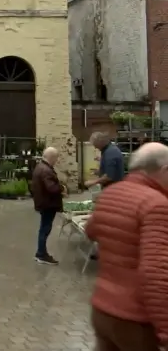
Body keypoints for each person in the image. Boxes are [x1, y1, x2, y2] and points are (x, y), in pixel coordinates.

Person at [85, 142, 168, 351]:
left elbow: (91, 230)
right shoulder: (156, 204)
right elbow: (155, 273)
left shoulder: (111, 193)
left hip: (102, 309)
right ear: (164, 171)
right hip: (135, 319)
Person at [30, 147, 63, 265]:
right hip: (48, 204)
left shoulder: (40, 167)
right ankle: (41, 254)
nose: (57, 160)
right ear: (51, 157)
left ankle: (41, 253)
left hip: (44, 202)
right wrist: (62, 188)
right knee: (45, 229)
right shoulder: (46, 170)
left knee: (43, 228)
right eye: (56, 158)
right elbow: (51, 188)